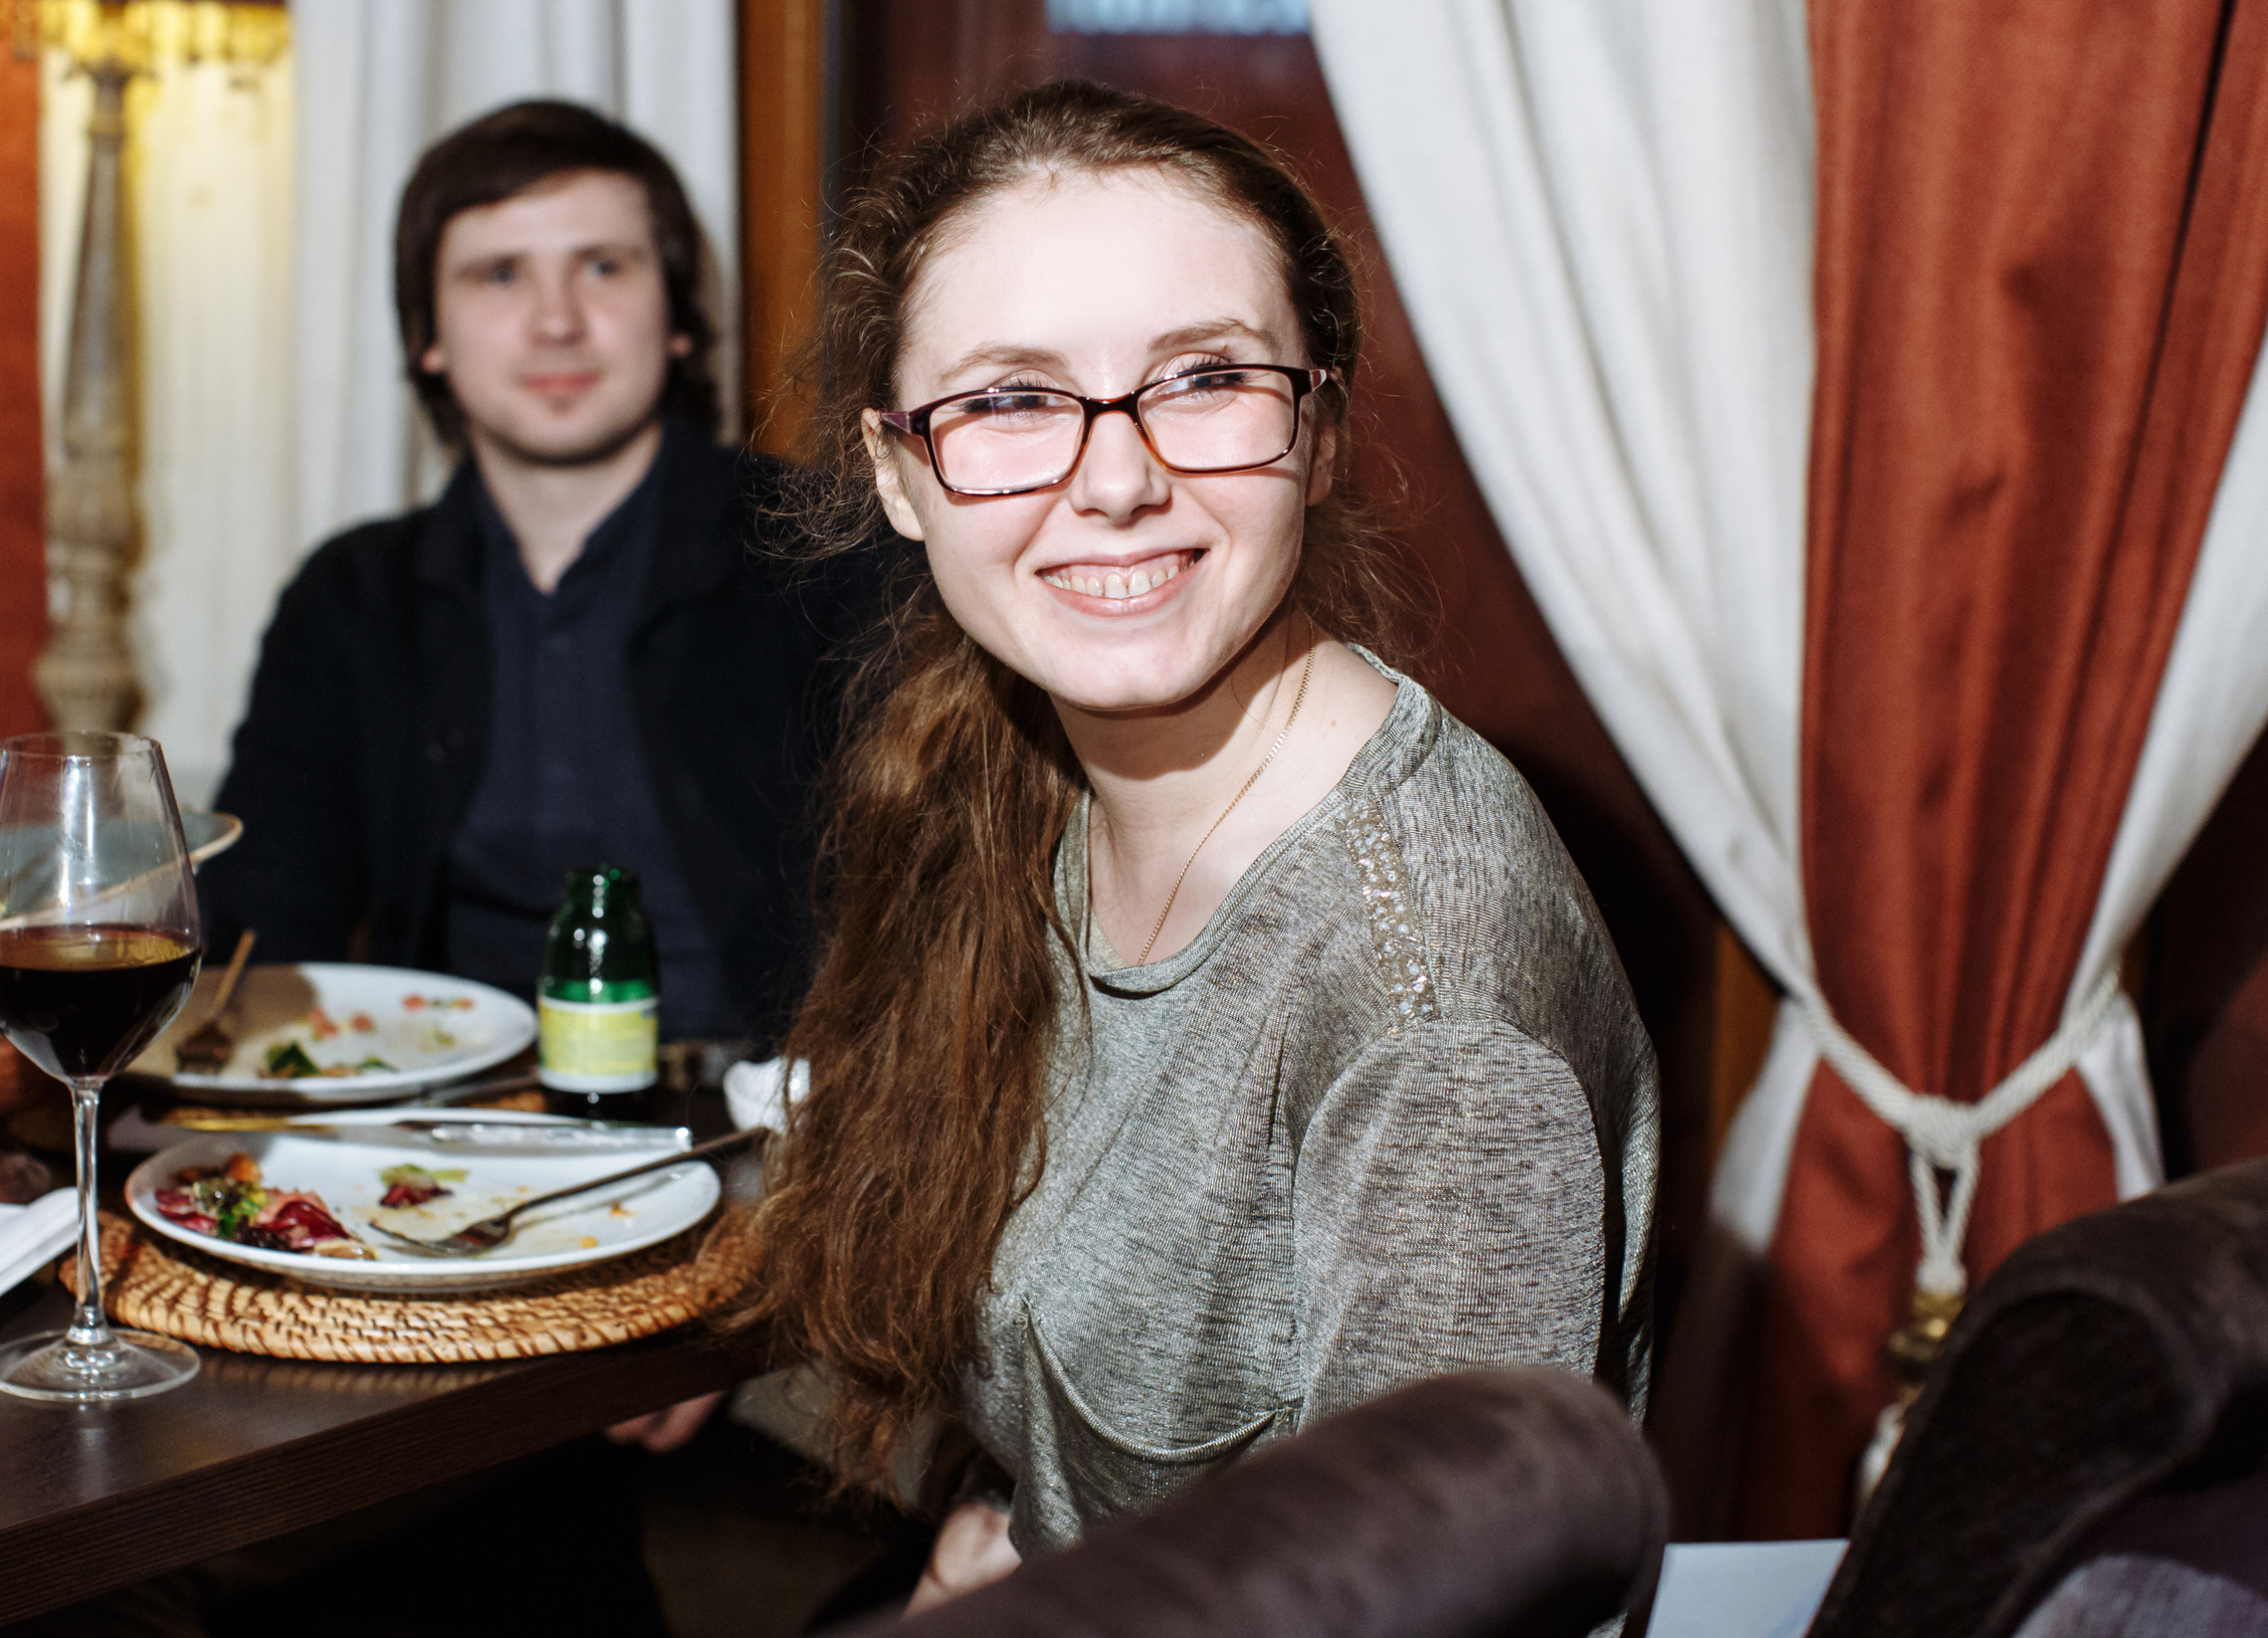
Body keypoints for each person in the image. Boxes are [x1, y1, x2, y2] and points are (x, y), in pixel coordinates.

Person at [735, 80, 1660, 1609]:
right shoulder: (1023, 774)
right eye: (1012, 399)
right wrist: (1002, 1526)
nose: (1114, 478)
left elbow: (1420, 1602)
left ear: (1321, 425)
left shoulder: (1430, 990)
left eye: (1207, 377)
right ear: (900, 472)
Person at [202, 100, 851, 1053]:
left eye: (603, 266)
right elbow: (265, 924)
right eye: (499, 275)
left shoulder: (826, 553)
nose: (557, 322)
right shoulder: (350, 599)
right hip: (437, 1125)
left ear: (676, 317)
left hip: (766, 1119)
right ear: (428, 336)